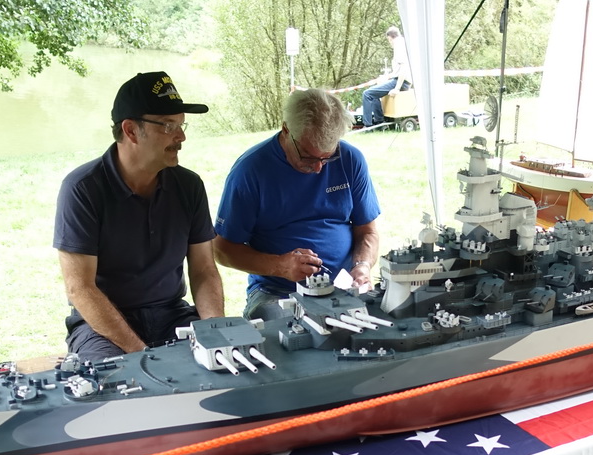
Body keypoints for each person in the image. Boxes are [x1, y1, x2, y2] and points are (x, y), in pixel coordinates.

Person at [54, 71, 225, 360]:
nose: (181, 136)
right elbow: (80, 288)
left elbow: (204, 270)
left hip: (172, 315)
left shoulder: (189, 185)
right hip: (101, 326)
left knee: (222, 367)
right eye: (169, 126)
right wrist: (143, 355)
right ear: (131, 130)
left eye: (181, 125)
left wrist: (215, 332)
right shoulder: (83, 188)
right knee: (117, 382)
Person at [213, 88, 381, 321]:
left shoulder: (350, 159)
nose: (318, 168)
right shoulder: (251, 171)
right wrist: (280, 266)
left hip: (342, 286)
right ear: (286, 130)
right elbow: (222, 250)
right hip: (277, 292)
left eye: (327, 157)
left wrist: (362, 266)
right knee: (293, 332)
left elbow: (367, 231)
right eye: (308, 156)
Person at [360, 27, 412, 129]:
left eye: (389, 41)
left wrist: (397, 88)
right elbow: (398, 70)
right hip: (402, 80)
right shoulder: (404, 44)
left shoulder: (398, 45)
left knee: (367, 94)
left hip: (401, 82)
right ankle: (380, 123)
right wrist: (387, 77)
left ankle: (368, 126)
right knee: (374, 95)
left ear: (390, 38)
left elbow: (403, 68)